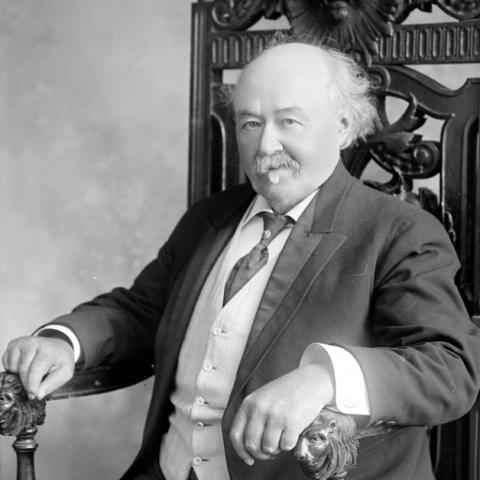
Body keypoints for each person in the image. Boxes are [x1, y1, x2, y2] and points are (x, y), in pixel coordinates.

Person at [2, 40, 480, 480]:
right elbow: (142, 312)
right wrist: (65, 342)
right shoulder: (211, 218)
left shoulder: (398, 231)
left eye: (289, 121)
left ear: (342, 125)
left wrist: (325, 379)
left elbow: (451, 367)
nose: (266, 146)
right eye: (251, 123)